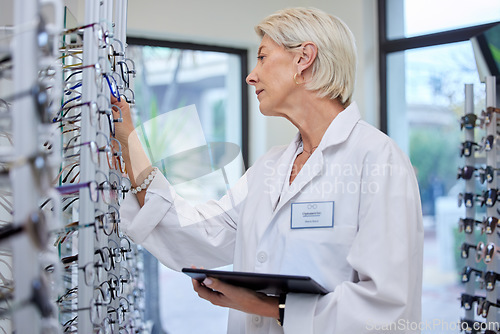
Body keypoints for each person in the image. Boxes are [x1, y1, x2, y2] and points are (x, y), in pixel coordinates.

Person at [113, 7, 424, 334]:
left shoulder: (377, 159)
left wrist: (264, 306)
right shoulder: (270, 167)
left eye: (262, 57)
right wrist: (129, 144)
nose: (251, 75)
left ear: (304, 58)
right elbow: (198, 233)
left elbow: (388, 309)